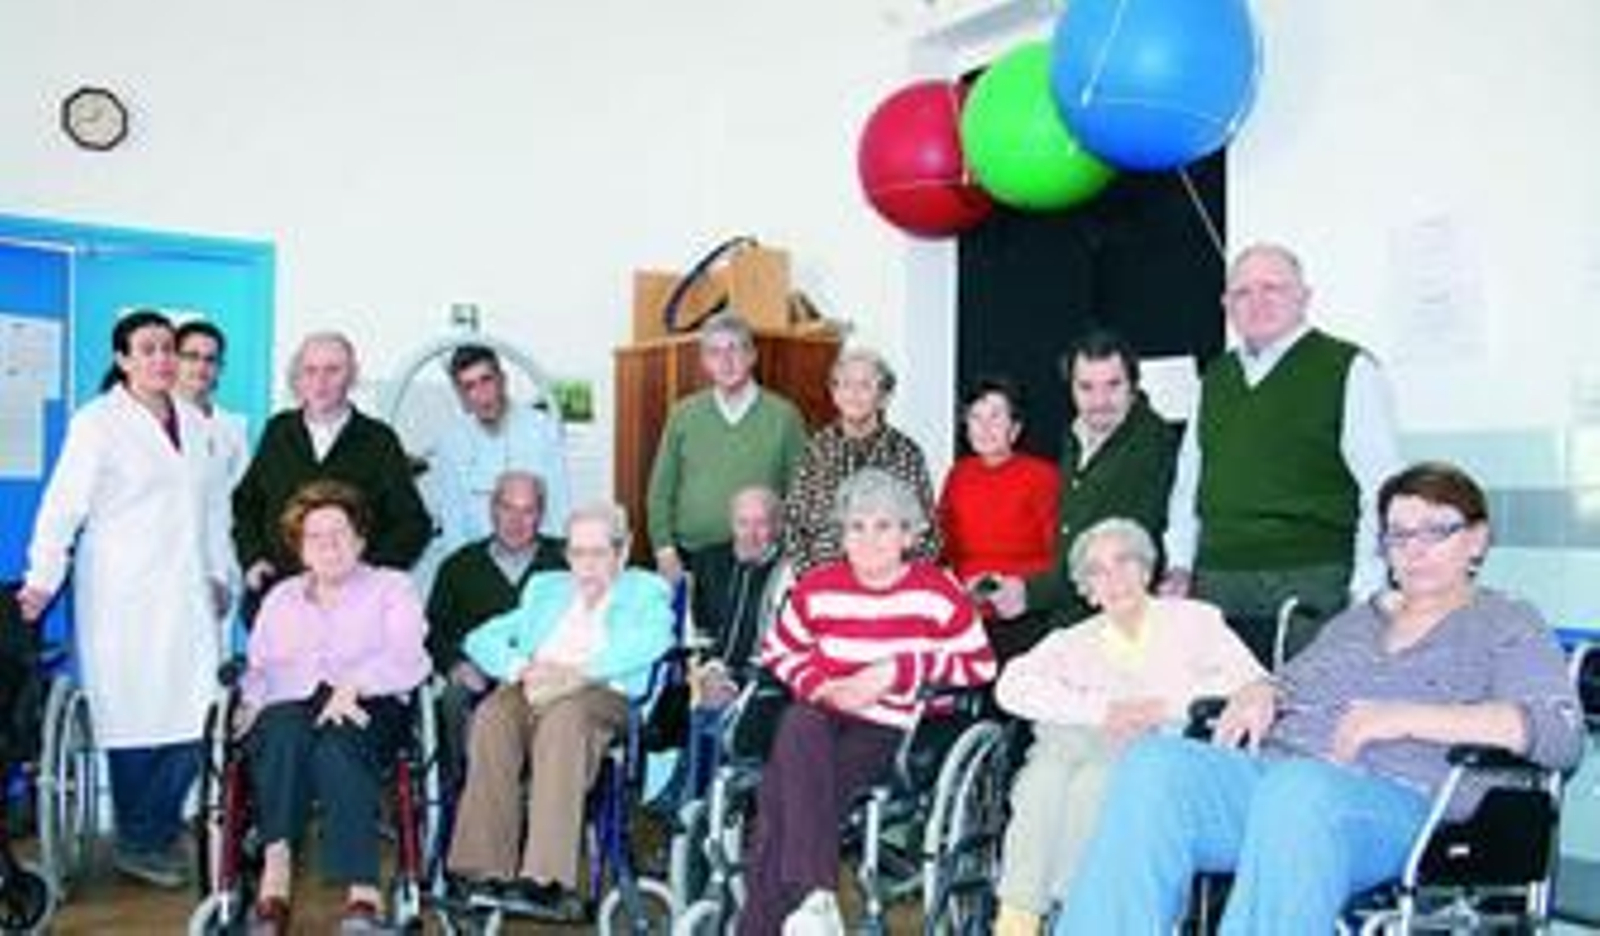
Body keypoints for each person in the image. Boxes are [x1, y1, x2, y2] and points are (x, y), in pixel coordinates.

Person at [1058, 462, 1585, 934]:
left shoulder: (1506, 621)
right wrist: (1261, 688)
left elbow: (1560, 734)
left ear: (1477, 540)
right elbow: (1294, 684)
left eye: (1436, 532)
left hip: (1402, 804)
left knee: (1301, 792)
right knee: (1156, 764)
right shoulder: (1359, 621)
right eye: (1399, 536)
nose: (1415, 550)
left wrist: (1404, 717)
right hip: (1281, 783)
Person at [17, 309, 228, 889]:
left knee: (195, 714)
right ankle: (140, 839)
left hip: (186, 592)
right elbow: (64, 506)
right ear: (123, 359)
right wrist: (41, 578)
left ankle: (152, 830)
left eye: (170, 349)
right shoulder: (99, 423)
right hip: (123, 594)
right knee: (132, 718)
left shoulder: (195, 421)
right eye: (149, 349)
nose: (163, 359)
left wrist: (219, 572)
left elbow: (212, 509)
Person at [740, 469, 996, 934]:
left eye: (883, 526)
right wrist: (822, 685)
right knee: (798, 722)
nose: (869, 538)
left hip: (889, 728)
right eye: (856, 527)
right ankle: (815, 898)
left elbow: (979, 664)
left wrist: (898, 669)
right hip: (821, 717)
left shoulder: (936, 591)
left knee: (779, 798)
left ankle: (778, 918)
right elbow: (779, 650)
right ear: (842, 534)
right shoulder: (818, 586)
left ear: (908, 533)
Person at [992, 518, 1264, 934]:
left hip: (1158, 753)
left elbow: (1249, 681)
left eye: (1124, 562)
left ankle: (1073, 909)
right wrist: (1103, 710)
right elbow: (1011, 686)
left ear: (1146, 568)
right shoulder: (1072, 639)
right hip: (1079, 742)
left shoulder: (1194, 621)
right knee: (1041, 779)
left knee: (1093, 784)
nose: (1114, 578)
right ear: (1087, 587)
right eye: (1097, 571)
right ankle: (1018, 916)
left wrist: (1162, 706)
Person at [1160, 244, 1403, 662]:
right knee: (1217, 718)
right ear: (1226, 305)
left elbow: (1382, 490)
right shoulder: (1215, 378)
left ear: (1303, 297)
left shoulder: (1348, 368)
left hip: (1312, 583)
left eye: (1272, 288)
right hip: (1216, 584)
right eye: (1242, 292)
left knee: (1306, 718)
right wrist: (1179, 566)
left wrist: (1366, 591)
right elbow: (1189, 484)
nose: (1257, 302)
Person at [446, 501, 674, 922]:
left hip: (603, 695)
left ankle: (547, 881)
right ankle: (482, 870)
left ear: (622, 553)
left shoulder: (645, 590)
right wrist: (521, 668)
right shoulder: (545, 588)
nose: (585, 566)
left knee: (565, 718)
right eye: (576, 553)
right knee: (493, 715)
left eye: (598, 553)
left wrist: (579, 674)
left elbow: (654, 639)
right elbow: (480, 637)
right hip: (536, 687)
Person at [237, 480, 430, 933]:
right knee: (280, 729)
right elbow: (260, 668)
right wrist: (249, 703)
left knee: (339, 745)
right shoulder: (281, 598)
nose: (328, 545)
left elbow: (410, 657)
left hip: (372, 703)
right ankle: (275, 874)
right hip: (295, 703)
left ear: (360, 539)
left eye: (339, 534)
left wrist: (357, 684)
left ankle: (363, 891)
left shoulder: (392, 587)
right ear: (300, 548)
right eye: (315, 537)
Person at [987, 328, 1181, 640]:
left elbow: (1114, 551)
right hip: (1073, 619)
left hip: (1117, 624)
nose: (1100, 401)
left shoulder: (1149, 445)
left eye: (1113, 385)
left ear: (1133, 385)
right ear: (1071, 389)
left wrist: (1030, 592)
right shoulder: (1076, 434)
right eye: (1086, 387)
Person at [233, 331, 431, 621]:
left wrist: (366, 576)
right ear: (297, 377)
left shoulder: (378, 439)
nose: (320, 381)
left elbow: (413, 522)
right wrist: (252, 558)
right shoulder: (279, 431)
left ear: (351, 376)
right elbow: (246, 503)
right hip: (281, 598)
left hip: (355, 607)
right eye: (310, 370)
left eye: (332, 370)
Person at [425, 470, 567, 788]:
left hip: (547, 675)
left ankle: (543, 790)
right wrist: (455, 665)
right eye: (507, 508)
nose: (516, 520)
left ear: (541, 514)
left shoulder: (565, 561)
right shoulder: (458, 567)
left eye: (527, 510)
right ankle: (471, 789)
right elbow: (432, 631)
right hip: (480, 676)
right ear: (492, 509)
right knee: (453, 697)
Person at [647, 311, 809, 586]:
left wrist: (791, 556)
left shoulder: (784, 416)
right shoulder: (683, 414)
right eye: (715, 352)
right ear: (704, 362)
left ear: (751, 356)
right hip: (691, 558)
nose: (726, 361)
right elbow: (660, 491)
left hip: (758, 559)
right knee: (694, 629)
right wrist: (664, 551)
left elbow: (802, 494)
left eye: (734, 349)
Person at [783, 347, 940, 575]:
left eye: (865, 385)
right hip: (826, 582)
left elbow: (927, 534)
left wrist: (901, 583)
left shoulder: (906, 452)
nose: (853, 394)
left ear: (884, 398)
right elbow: (793, 526)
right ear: (834, 394)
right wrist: (811, 579)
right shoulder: (816, 449)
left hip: (889, 585)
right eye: (845, 384)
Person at [937, 377, 1060, 662]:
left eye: (995, 416)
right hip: (965, 610)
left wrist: (1003, 583)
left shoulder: (1042, 477)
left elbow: (1058, 557)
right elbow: (942, 548)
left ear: (1015, 428)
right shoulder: (958, 475)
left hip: (1020, 611)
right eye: (975, 417)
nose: (985, 427)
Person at [432, 343, 572, 553]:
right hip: (478, 564)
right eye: (470, 386)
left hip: (536, 558)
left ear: (503, 380)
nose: (481, 394)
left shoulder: (542, 430)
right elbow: (454, 525)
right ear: (462, 397)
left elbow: (560, 511)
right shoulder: (450, 443)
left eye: (486, 380)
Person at [174, 319, 251, 643]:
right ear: (173, 359)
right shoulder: (154, 424)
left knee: (214, 669)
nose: (201, 366)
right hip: (170, 569)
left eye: (210, 359)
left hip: (222, 564)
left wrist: (221, 573)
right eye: (191, 356)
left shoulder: (232, 427)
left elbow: (237, 503)